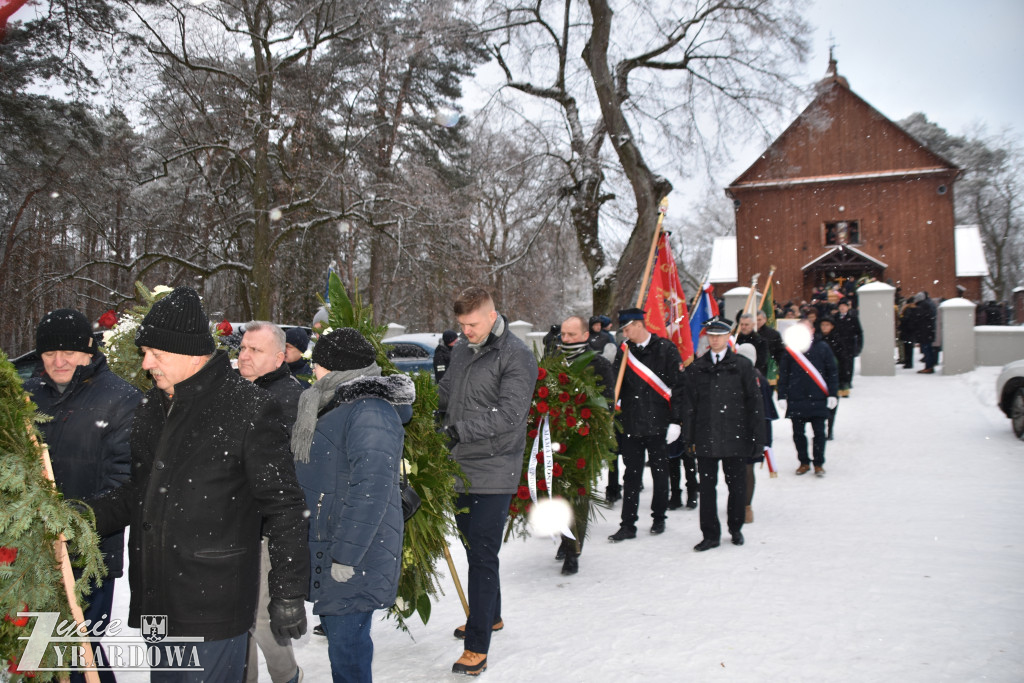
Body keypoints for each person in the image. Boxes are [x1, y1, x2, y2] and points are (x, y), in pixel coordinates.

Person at [86, 286, 309, 682]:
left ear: (191, 352)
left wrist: (287, 588)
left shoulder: (247, 407)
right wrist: (82, 519)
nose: (145, 364)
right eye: (143, 353)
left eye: (156, 353)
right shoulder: (152, 407)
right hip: (157, 596)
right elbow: (140, 491)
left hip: (214, 603)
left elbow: (284, 506)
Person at [24, 309, 141, 683]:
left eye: (69, 352)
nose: (59, 361)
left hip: (88, 555)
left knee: (77, 649)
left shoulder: (121, 400)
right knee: (37, 652)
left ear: (89, 351)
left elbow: (125, 483)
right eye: (48, 353)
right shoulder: (27, 399)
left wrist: (72, 523)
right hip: (31, 554)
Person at [292, 327, 414, 683]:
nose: (312, 371)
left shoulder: (370, 411)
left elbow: (370, 489)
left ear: (335, 368)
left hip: (355, 553)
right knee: (343, 644)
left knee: (348, 652)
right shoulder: (338, 402)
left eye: (317, 364)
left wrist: (345, 555)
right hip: (334, 541)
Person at [437, 287, 537, 676]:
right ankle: (489, 614)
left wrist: (457, 432)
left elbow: (510, 415)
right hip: (459, 466)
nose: (466, 331)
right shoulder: (462, 349)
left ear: (492, 316)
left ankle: (477, 643)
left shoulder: (516, 356)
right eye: (461, 325)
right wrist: (420, 400)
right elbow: (447, 393)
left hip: (495, 469)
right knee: (472, 546)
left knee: (481, 556)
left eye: (472, 324)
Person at [238, 321, 305, 683]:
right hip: (238, 526)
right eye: (243, 348)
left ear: (279, 357)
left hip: (267, 529)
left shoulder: (285, 399)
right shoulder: (239, 390)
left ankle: (287, 676)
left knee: (261, 618)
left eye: (255, 350)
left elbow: (285, 480)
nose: (244, 356)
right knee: (243, 618)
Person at [682, 317, 765, 551]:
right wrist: (689, 438)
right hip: (706, 436)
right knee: (707, 489)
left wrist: (757, 439)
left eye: (719, 335)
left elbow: (754, 406)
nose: (715, 339)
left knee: (736, 487)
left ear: (728, 337)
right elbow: (690, 406)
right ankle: (710, 534)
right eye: (712, 335)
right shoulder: (697, 368)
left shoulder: (742, 366)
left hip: (735, 437)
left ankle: (735, 527)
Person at [607, 307, 686, 542]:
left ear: (639, 325)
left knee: (660, 475)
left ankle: (658, 517)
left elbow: (679, 387)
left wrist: (676, 420)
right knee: (631, 476)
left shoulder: (665, 349)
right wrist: (614, 401)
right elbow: (615, 383)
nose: (625, 332)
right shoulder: (625, 352)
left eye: (628, 328)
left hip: (659, 423)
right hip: (631, 423)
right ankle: (627, 524)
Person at [552, 315, 615, 575]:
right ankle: (564, 536)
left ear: (585, 336)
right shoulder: (554, 362)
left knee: (577, 495)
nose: (566, 339)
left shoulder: (598, 364)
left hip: (582, 439)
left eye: (572, 335)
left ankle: (573, 549)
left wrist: (582, 416)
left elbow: (607, 402)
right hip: (555, 438)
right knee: (555, 492)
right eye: (563, 334)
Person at [778, 319, 839, 477]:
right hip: (796, 398)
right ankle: (803, 462)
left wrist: (833, 394)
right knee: (798, 434)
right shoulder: (790, 350)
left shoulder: (823, 347)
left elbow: (832, 372)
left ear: (812, 330)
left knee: (819, 433)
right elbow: (783, 374)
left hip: (818, 398)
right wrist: (781, 395)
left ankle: (818, 464)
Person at [734, 343, 777, 524]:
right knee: (745, 469)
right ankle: (744, 506)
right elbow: (766, 414)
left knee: (741, 469)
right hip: (750, 430)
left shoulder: (746, 378)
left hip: (741, 430)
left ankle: (743, 506)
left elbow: (764, 412)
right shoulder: (759, 379)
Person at [817, 317, 843, 441]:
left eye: (827, 325)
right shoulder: (817, 339)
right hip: (818, 375)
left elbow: (843, 357)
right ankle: (821, 429)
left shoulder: (837, 339)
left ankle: (830, 429)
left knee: (832, 403)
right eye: (823, 325)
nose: (824, 327)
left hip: (832, 374)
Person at [832, 299, 863, 395]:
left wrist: (858, 346)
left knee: (848, 365)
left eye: (844, 306)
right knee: (837, 365)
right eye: (840, 306)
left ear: (847, 307)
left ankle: (847, 382)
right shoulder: (834, 318)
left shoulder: (853, 318)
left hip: (848, 346)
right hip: (836, 346)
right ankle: (839, 382)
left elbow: (859, 333)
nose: (842, 308)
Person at [915, 291, 938, 374]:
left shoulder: (923, 305)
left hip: (925, 332)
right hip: (929, 331)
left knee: (927, 350)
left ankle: (928, 367)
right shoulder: (929, 303)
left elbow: (920, 318)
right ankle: (930, 366)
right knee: (929, 349)